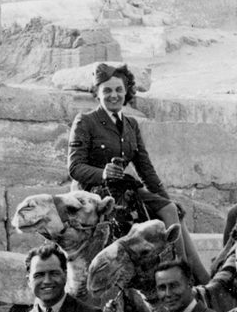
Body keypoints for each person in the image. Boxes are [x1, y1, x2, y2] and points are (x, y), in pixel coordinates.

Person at [68, 63, 175, 224]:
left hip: (123, 190)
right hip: (92, 194)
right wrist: (103, 173)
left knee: (170, 210)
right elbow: (75, 168)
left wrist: (165, 199)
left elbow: (146, 170)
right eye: (107, 90)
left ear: (126, 91)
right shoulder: (85, 121)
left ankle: (187, 251)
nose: (114, 95)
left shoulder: (131, 125)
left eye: (119, 89)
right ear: (98, 93)